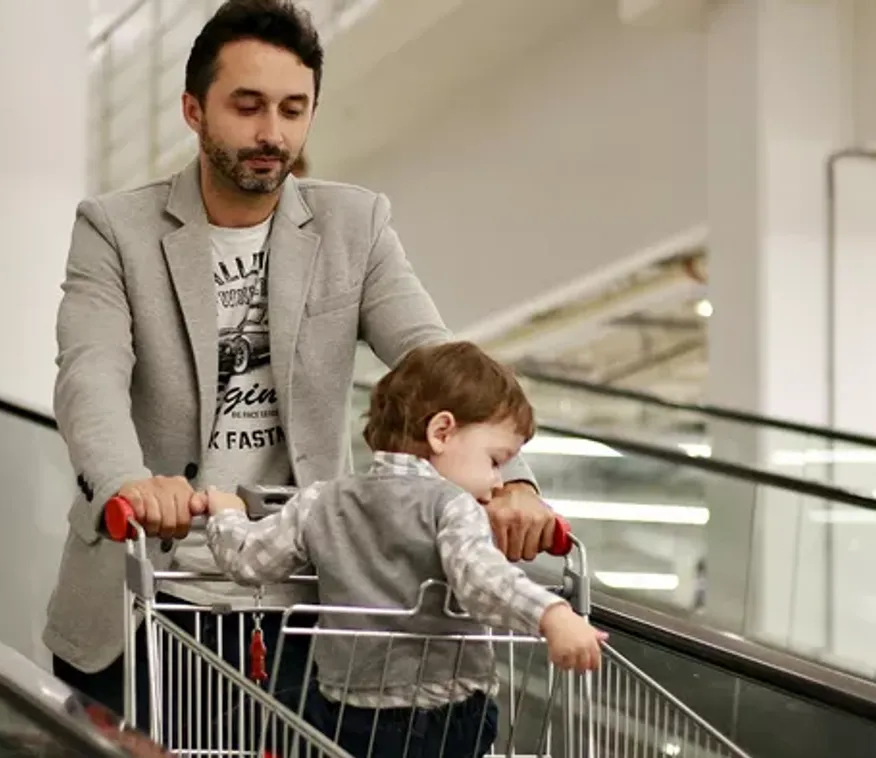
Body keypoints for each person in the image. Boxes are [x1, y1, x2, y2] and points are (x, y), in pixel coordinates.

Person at [44, 0, 558, 727]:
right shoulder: (113, 229)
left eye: (293, 109)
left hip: (307, 601)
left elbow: (434, 356)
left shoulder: (355, 224)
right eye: (247, 107)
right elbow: (88, 372)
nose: (271, 133)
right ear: (193, 109)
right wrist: (130, 482)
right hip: (146, 596)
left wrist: (514, 483)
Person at [202, 341, 604, 757]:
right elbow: (482, 581)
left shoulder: (322, 499)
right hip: (442, 719)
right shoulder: (453, 507)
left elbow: (248, 561)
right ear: (441, 432)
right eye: (495, 460)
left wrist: (226, 515)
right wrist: (552, 615)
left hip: (345, 712)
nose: (500, 482)